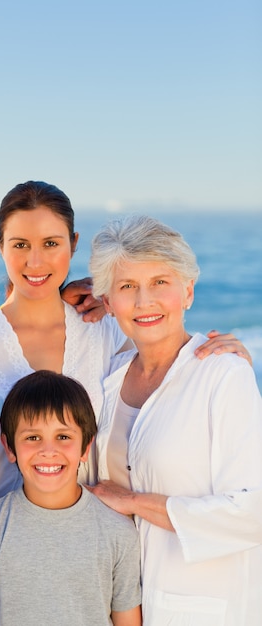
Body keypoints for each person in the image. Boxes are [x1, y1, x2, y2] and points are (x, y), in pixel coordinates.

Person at [0, 180, 251, 510]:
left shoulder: (104, 329)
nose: (36, 261)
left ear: (73, 244)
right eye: (21, 245)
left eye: (51, 243)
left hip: (97, 542)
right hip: (1, 541)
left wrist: (223, 363)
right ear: (0, 246)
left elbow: (164, 364)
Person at [88, 214, 262, 626]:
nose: (144, 301)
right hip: (121, 607)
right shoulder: (108, 379)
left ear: (187, 292)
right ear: (109, 303)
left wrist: (134, 502)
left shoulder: (223, 374)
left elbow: (254, 511)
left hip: (206, 608)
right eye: (128, 286)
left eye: (160, 283)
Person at [0, 370, 142, 626]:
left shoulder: (118, 533)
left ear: (86, 447)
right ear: (9, 447)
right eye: (33, 437)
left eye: (63, 437)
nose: (48, 451)